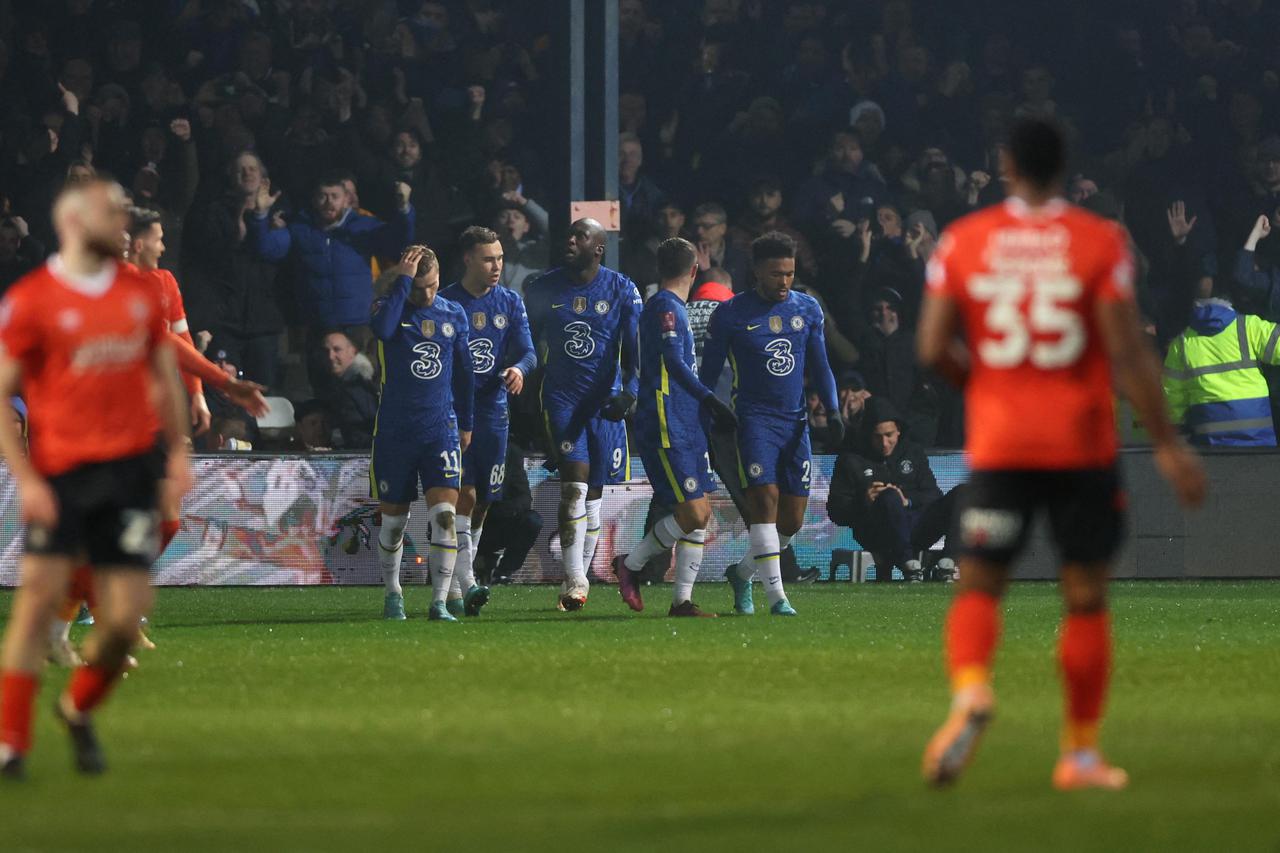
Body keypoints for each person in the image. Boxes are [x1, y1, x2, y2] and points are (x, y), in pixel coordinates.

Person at [916, 118, 1206, 791]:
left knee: (980, 583)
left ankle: (970, 690)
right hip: (1080, 445)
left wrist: (984, 385)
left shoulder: (965, 241)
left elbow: (931, 349)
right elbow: (1130, 353)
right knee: (1083, 597)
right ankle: (1078, 754)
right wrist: (1168, 443)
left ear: (1007, 166)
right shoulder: (1099, 241)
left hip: (1002, 444)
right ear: (1066, 169)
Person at [0, 179, 194, 780]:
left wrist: (180, 452)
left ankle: (77, 708)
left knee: (122, 620)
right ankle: (11, 746)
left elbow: (165, 373)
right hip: (61, 476)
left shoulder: (138, 296)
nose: (124, 227)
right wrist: (25, 474)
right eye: (113, 215)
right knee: (34, 608)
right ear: (76, 224)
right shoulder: (32, 299)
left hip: (130, 474)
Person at [697, 231, 843, 617]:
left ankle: (742, 573)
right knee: (765, 501)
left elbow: (821, 365)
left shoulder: (807, 309)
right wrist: (705, 411)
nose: (784, 282)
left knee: (791, 522)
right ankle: (778, 598)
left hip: (795, 424)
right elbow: (707, 373)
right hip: (753, 421)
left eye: (790, 273)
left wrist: (834, 409)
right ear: (757, 272)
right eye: (776, 274)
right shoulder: (730, 314)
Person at [613, 237, 737, 617]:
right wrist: (709, 398)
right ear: (695, 270)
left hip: (687, 423)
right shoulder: (666, 307)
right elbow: (672, 360)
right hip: (668, 423)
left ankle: (682, 601)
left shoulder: (672, 307)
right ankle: (630, 565)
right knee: (694, 513)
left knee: (700, 514)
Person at [524, 218, 641, 611]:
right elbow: (525, 344)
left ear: (599, 248)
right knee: (574, 485)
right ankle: (573, 580)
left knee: (594, 495)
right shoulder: (543, 288)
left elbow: (637, 353)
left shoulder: (622, 290)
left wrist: (631, 393)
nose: (570, 239)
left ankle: (581, 578)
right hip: (561, 400)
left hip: (604, 403)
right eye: (568, 234)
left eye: (581, 236)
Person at [369, 245, 474, 622]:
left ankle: (439, 602)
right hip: (395, 432)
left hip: (439, 430)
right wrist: (402, 283)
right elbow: (381, 332)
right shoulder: (389, 308)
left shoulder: (453, 313)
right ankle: (393, 593)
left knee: (444, 516)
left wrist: (467, 422)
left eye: (432, 286)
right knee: (394, 523)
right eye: (418, 288)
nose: (426, 295)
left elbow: (464, 375)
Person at [440, 226, 536, 617]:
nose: (497, 266)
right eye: (488, 259)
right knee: (464, 495)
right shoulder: (446, 302)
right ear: (468, 259)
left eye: (499, 258)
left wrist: (519, 369)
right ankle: (465, 584)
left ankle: (461, 577)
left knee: (481, 504)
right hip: (454, 414)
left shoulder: (510, 303)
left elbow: (530, 352)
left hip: (495, 413)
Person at [249, 174, 414, 391]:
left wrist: (404, 209)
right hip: (319, 326)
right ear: (314, 200)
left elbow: (398, 242)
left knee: (366, 390)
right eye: (322, 196)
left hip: (358, 326)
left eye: (334, 196)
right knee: (323, 392)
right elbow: (269, 249)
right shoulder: (300, 228)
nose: (328, 202)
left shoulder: (363, 227)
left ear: (346, 199)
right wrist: (260, 215)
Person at [827, 398, 959, 583]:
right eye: (877, 436)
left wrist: (907, 501)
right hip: (878, 533)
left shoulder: (913, 452)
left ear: (898, 430)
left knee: (964, 494)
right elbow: (836, 512)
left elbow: (933, 495)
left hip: (918, 527)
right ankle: (908, 566)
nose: (884, 442)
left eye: (889, 435)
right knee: (888, 498)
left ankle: (948, 562)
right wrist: (864, 501)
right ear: (867, 434)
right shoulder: (850, 460)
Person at [1162, 282, 1280, 446]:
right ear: (1230, 302)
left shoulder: (1181, 343)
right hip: (1256, 431)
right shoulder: (1249, 326)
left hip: (1210, 436)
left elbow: (1172, 394)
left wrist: (1175, 425)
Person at [473, 441, 543, 586]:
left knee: (532, 521)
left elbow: (524, 497)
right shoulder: (463, 447)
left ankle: (503, 573)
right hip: (466, 521)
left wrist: (498, 510)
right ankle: (460, 574)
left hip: (497, 521)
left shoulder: (511, 452)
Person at [320, 330, 378, 449]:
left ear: (352, 352)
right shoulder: (335, 384)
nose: (330, 356)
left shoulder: (360, 386)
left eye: (337, 349)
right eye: (326, 351)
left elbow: (357, 434)